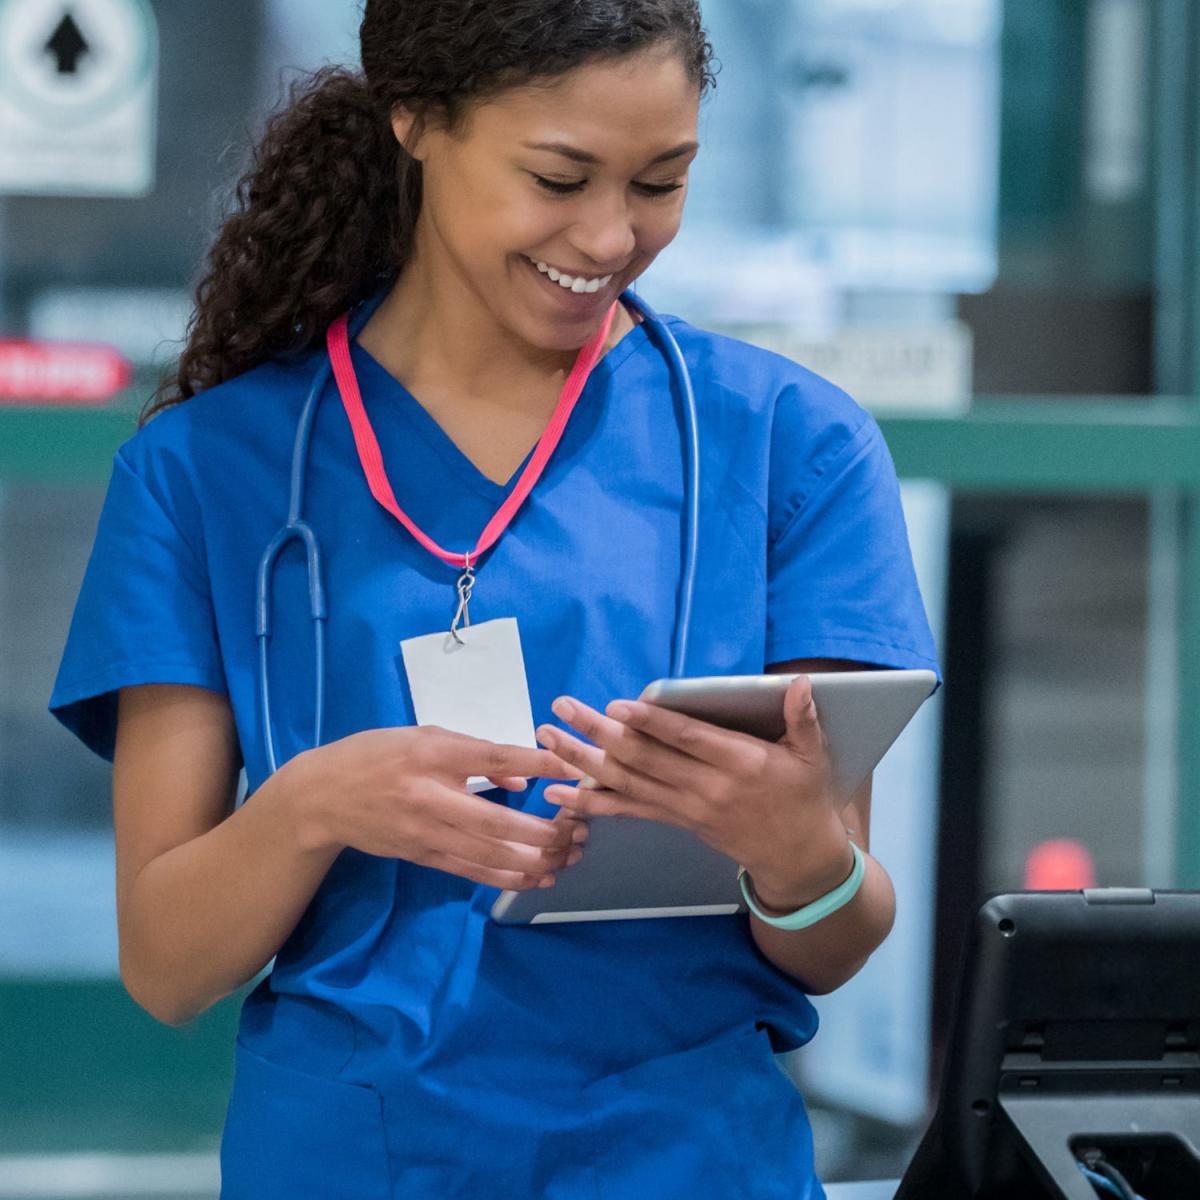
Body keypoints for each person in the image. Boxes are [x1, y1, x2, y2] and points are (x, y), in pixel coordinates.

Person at [49, 2, 938, 1196]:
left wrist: (797, 856)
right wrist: (313, 805)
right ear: (417, 120)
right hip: (350, 1161)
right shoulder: (206, 471)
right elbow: (167, 967)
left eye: (661, 181)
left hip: (687, 1162)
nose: (613, 234)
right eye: (559, 177)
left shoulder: (793, 449)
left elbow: (832, 945)